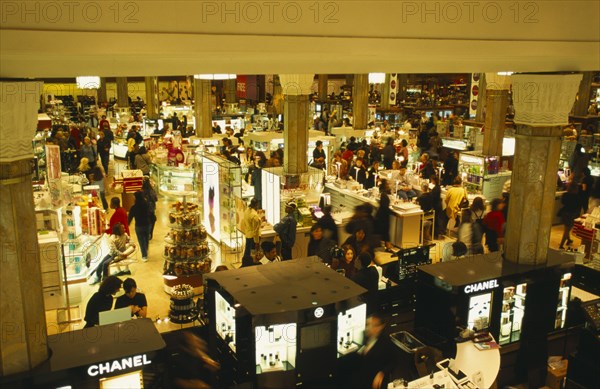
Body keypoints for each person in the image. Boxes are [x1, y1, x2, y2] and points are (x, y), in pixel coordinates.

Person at [353, 313, 399, 389]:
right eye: (368, 324)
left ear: (380, 327)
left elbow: (394, 361)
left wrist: (382, 373)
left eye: (372, 325)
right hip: (362, 377)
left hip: (376, 380)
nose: (368, 328)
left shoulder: (386, 343)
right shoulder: (365, 335)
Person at [128, 191, 151, 262]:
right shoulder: (146, 205)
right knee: (146, 238)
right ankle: (146, 249)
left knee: (141, 241)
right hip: (147, 224)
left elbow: (130, 217)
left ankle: (144, 255)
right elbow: (150, 213)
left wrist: (127, 224)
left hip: (139, 226)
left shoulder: (133, 207)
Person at [558, 183, 582, 249]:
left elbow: (563, 202)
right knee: (567, 229)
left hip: (564, 212)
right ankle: (561, 245)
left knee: (566, 228)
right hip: (572, 214)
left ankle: (568, 240)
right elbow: (578, 206)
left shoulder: (565, 194)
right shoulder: (577, 197)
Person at [375, 179, 394, 252]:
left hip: (382, 215)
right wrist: (391, 212)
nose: (389, 185)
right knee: (385, 231)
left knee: (384, 231)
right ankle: (388, 245)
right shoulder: (384, 195)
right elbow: (384, 207)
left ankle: (387, 245)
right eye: (388, 184)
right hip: (383, 216)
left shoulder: (383, 194)